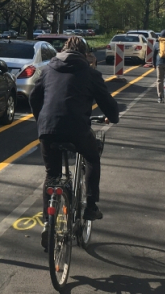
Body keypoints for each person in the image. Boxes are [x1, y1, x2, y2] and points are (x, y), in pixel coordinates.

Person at [30, 36, 119, 246]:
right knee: (92, 157)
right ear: (85, 54)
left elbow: (34, 97)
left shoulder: (48, 69)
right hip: (77, 129)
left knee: (52, 175)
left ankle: (47, 224)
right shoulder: (90, 73)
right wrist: (112, 116)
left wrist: (42, 120)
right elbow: (109, 105)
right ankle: (90, 206)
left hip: (47, 128)